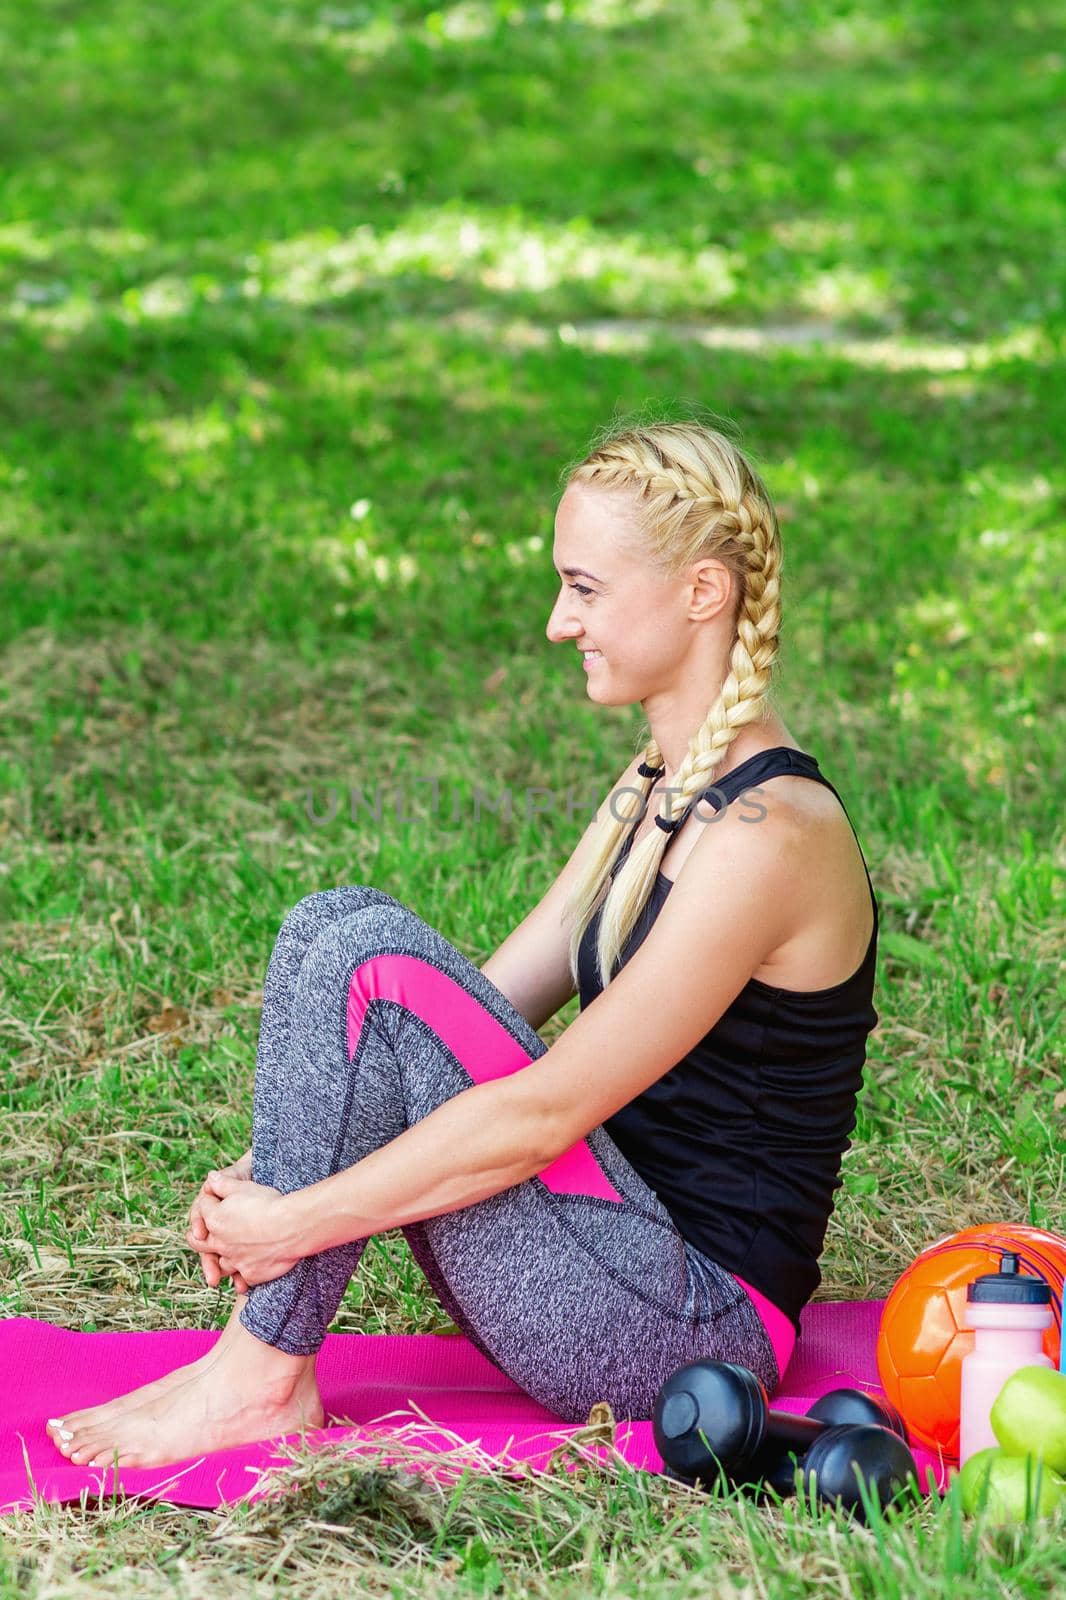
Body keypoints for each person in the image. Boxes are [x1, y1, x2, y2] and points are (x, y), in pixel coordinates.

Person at [46, 419, 879, 1471]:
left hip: (693, 1328)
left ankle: (258, 1375)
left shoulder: (772, 835)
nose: (555, 621)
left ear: (701, 594)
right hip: (607, 1238)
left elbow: (541, 1113)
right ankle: (254, 1365)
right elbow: (487, 1005)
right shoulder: (652, 789)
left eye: (584, 588)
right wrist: (286, 1154)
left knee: (369, 957)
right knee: (330, 924)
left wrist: (294, 1220)